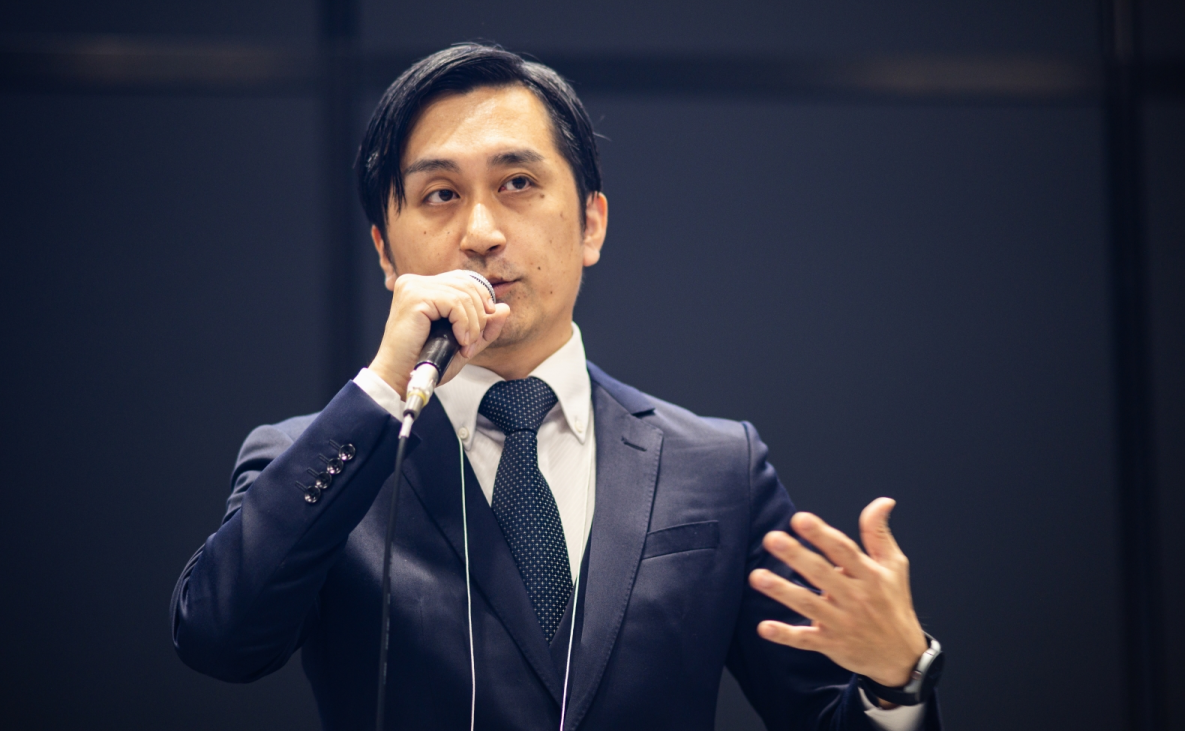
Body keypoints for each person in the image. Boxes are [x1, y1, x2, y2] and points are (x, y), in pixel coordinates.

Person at [171, 44, 943, 731]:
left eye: (517, 182)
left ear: (590, 224)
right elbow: (218, 639)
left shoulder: (716, 467)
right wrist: (382, 388)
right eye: (439, 194)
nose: (480, 232)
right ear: (384, 251)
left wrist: (895, 679)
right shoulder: (314, 458)